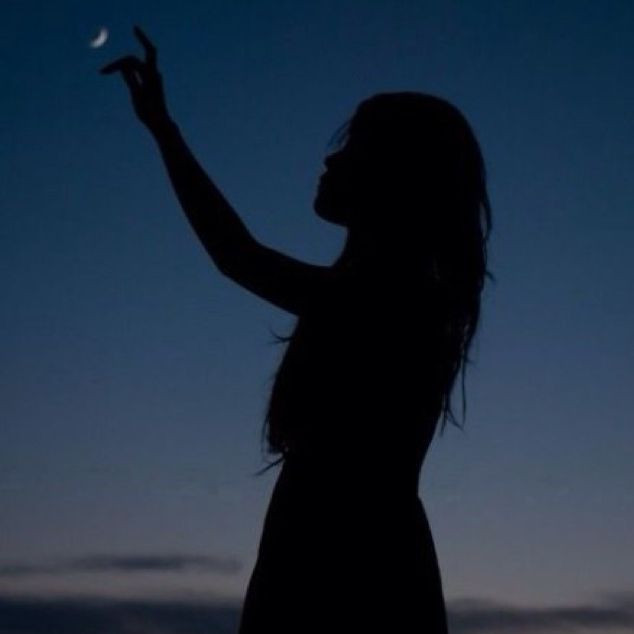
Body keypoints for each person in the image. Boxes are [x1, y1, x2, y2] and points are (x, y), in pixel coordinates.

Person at [102, 26, 493, 634]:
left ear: (395, 177)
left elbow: (237, 255)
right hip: (344, 556)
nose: (330, 159)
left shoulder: (391, 300)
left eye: (354, 149)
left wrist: (164, 130)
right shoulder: (398, 297)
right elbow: (240, 256)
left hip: (343, 566)